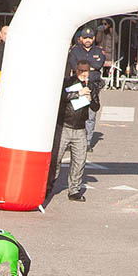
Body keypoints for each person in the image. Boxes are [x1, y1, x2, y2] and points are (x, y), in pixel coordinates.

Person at [49, 61, 93, 202]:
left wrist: (92, 98)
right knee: (56, 159)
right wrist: (78, 93)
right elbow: (61, 97)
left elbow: (96, 107)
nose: (83, 74)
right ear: (76, 70)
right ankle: (48, 186)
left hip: (80, 128)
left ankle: (74, 190)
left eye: (85, 71)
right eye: (80, 70)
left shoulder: (91, 85)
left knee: (79, 160)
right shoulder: (68, 83)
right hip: (65, 126)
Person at [66, 27, 107, 149]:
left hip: (93, 84)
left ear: (94, 38)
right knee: (75, 113)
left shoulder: (99, 51)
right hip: (78, 85)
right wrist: (89, 66)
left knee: (91, 114)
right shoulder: (75, 51)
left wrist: (86, 66)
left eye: (90, 38)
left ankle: (87, 142)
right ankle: (73, 141)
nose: (88, 40)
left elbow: (98, 65)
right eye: (85, 38)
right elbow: (75, 65)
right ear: (80, 39)